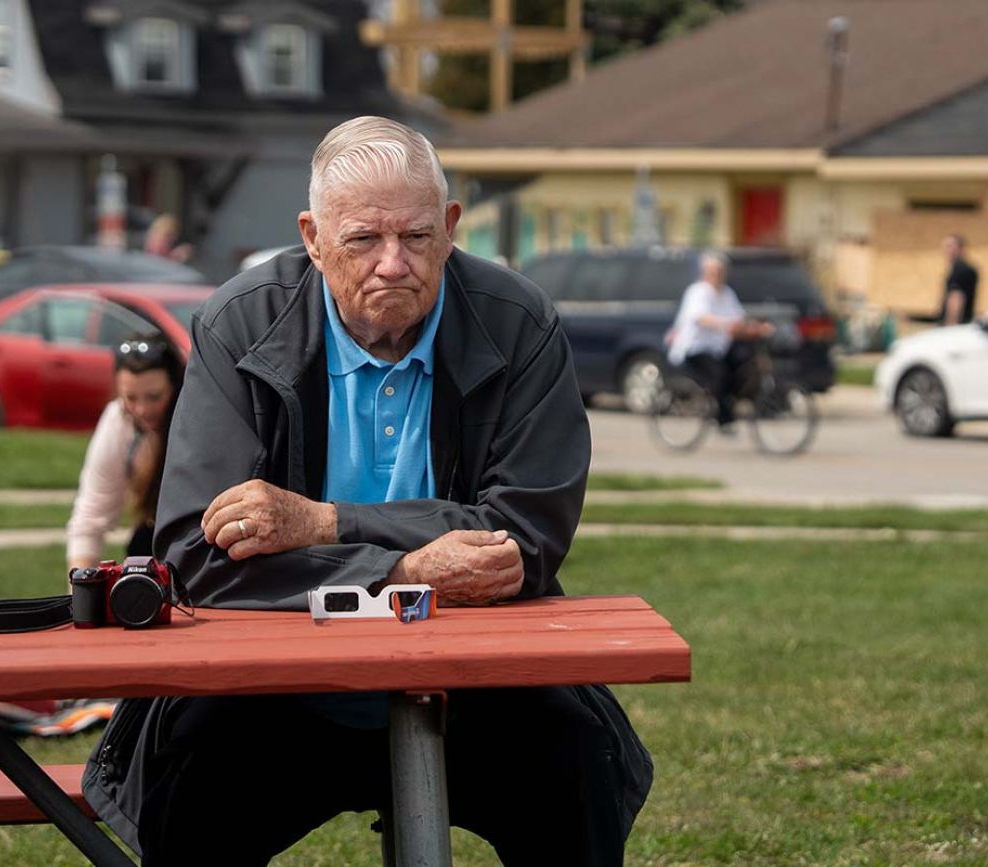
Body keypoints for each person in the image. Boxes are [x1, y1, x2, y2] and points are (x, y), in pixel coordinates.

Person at [82, 116, 652, 866]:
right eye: (362, 240)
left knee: (578, 763)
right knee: (185, 787)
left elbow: (521, 537)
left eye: (416, 237)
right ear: (313, 237)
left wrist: (321, 522)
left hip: (475, 683)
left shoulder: (520, 323)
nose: (393, 264)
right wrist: (403, 572)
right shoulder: (238, 322)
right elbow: (195, 551)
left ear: (450, 229)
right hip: (274, 689)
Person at [65, 333, 183, 571]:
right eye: (130, 397)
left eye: (154, 397)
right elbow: (90, 517)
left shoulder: (194, 418)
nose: (142, 409)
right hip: (149, 541)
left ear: (175, 385)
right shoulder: (118, 419)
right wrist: (80, 597)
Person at [667, 251, 770, 429]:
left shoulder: (727, 293)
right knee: (719, 374)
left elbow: (739, 319)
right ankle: (721, 415)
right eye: (712, 272)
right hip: (696, 348)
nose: (716, 276)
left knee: (744, 364)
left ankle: (736, 401)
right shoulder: (698, 292)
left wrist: (756, 328)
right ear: (704, 272)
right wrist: (726, 325)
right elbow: (701, 318)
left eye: (719, 272)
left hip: (719, 347)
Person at [940, 233, 979, 326]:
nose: (946, 251)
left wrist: (951, 326)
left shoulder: (960, 270)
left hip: (957, 325)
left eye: (950, 247)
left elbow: (956, 298)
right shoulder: (965, 268)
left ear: (959, 248)